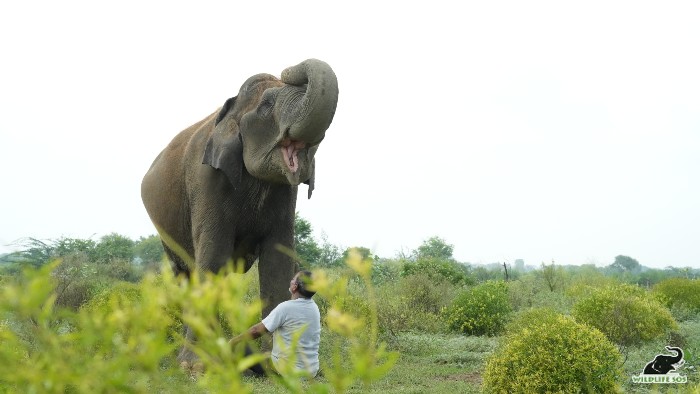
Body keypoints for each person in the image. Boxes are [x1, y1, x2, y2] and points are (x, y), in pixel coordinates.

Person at [229, 270, 321, 377]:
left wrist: (233, 341)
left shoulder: (286, 307)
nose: (291, 281)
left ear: (295, 286)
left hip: (288, 372)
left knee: (241, 345)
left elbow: (256, 331)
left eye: (293, 279)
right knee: (267, 355)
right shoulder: (314, 308)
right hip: (311, 371)